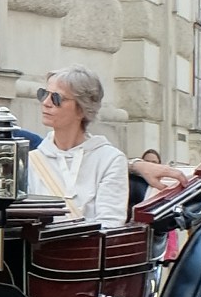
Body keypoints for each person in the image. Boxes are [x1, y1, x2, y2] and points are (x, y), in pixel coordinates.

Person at [29, 64, 132, 229]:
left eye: (57, 98)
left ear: (82, 109)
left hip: (88, 252)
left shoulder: (110, 160)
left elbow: (110, 225)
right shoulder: (32, 160)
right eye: (43, 94)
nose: (46, 103)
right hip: (40, 252)